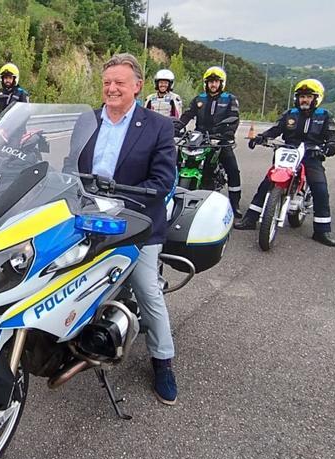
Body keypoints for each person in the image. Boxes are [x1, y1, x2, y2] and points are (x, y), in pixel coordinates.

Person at [76, 53, 179, 405]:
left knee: (148, 291)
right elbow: (63, 163)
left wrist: (124, 200)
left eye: (119, 82)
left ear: (137, 86)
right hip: (84, 216)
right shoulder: (87, 120)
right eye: (107, 82)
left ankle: (163, 360)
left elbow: (163, 180)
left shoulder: (159, 127)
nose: (112, 88)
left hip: (136, 223)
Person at [235, 79, 335, 246]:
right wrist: (262, 137)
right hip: (288, 152)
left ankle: (322, 230)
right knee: (267, 183)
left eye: (308, 96)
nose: (304, 100)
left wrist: (331, 146)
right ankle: (250, 219)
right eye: (301, 96)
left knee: (320, 189)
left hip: (311, 155)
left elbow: (332, 135)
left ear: (316, 98)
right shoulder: (289, 114)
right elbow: (276, 129)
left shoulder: (324, 116)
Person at [178, 66, 243, 216]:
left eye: (216, 82)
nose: (213, 85)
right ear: (205, 83)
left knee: (233, 169)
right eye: (210, 82)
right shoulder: (199, 99)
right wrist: (178, 125)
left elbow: (234, 117)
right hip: (199, 138)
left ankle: (235, 204)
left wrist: (228, 133)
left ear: (222, 83)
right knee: (178, 158)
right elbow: (188, 114)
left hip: (219, 139)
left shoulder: (229, 99)